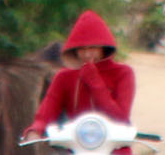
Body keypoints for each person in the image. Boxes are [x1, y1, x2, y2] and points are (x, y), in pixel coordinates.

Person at [21, 10, 135, 141]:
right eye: (82, 49)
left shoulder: (123, 73)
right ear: (74, 50)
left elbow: (121, 119)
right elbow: (46, 112)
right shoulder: (64, 76)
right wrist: (36, 130)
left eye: (92, 48)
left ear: (103, 48)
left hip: (114, 147)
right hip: (75, 147)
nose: (86, 54)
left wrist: (94, 81)